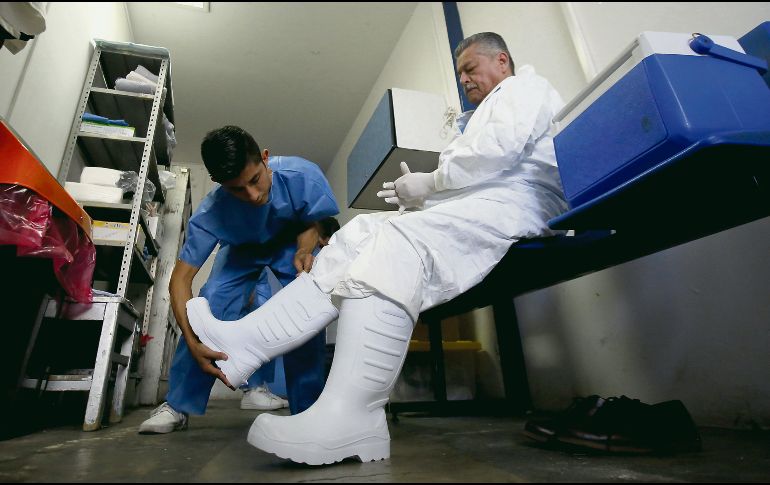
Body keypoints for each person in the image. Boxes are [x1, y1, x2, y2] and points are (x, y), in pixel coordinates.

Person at [186, 32, 568, 465]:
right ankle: (249, 343)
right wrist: (424, 194)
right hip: (485, 203)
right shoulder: (481, 114)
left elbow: (496, 153)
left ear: (502, 61)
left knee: (395, 243)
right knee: (360, 232)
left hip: (521, 205)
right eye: (460, 73)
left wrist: (432, 182)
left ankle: (353, 418)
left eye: (470, 69)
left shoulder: (522, 89)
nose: (464, 80)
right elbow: (480, 168)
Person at [138, 125, 339, 433]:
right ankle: (178, 405)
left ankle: (308, 410)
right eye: (237, 190)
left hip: (289, 243)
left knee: (306, 310)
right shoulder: (211, 213)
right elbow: (179, 282)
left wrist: (303, 247)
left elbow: (314, 219)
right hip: (240, 249)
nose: (253, 195)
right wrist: (193, 342)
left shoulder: (303, 176)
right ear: (219, 184)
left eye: (256, 180)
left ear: (265, 159)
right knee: (213, 302)